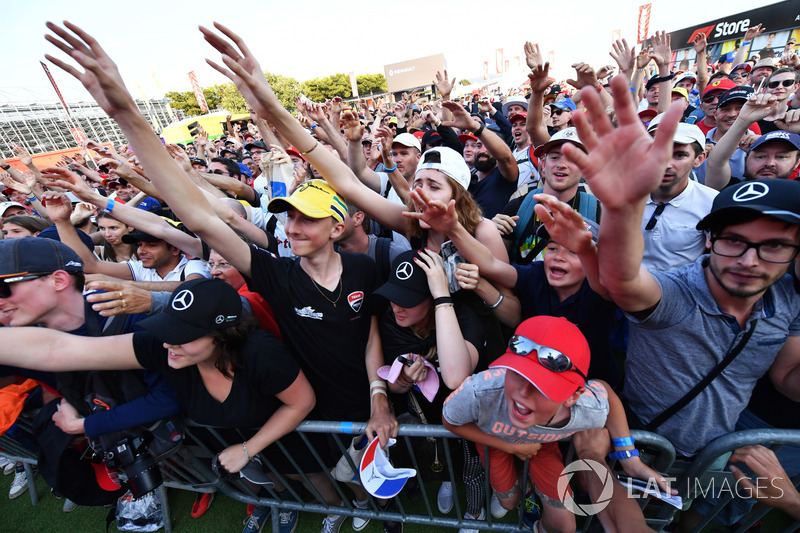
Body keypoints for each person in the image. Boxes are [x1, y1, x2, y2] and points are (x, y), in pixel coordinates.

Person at [558, 74, 800, 466]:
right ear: (712, 240)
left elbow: (788, 379)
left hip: (713, 445)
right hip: (651, 313)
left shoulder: (786, 302)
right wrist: (624, 209)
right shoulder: (683, 294)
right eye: (733, 241)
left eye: (773, 245)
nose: (749, 260)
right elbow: (623, 283)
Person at [0, 277, 315, 527]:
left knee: (313, 484)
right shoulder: (162, 349)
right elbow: (61, 352)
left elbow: (300, 403)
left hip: (286, 439)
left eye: (182, 335)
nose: (168, 342)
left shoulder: (261, 353)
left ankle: (326, 510)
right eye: (168, 330)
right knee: (263, 485)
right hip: (222, 443)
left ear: (221, 335)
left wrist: (249, 448)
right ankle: (271, 504)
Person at [442, 315, 670, 533]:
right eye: (517, 373)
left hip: (542, 448)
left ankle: (535, 517)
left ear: (573, 396)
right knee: (509, 502)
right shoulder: (480, 391)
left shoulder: (582, 408)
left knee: (565, 527)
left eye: (543, 386)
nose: (523, 393)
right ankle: (526, 486)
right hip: (495, 444)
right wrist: (512, 448)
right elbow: (450, 421)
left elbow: (606, 395)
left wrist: (629, 457)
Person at [374, 249, 485, 530]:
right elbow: (394, 386)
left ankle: (475, 513)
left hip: (469, 421)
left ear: (432, 296)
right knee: (445, 461)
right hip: (428, 418)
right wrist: (406, 381)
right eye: (393, 295)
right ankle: (448, 478)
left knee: (473, 468)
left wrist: (442, 298)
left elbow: (455, 376)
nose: (396, 306)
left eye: (407, 300)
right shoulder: (391, 321)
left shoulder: (464, 317)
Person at [640, 121, 717, 271]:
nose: (666, 164)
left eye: (679, 155)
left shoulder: (711, 203)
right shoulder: (623, 196)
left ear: (699, 159)